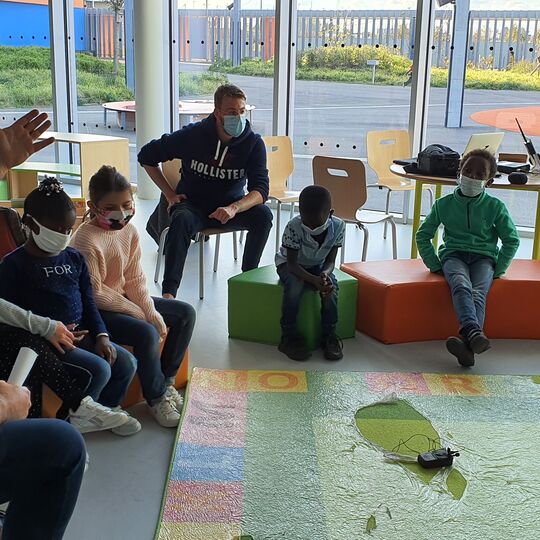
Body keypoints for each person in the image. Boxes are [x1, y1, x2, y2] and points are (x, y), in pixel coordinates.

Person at [0, 109, 85, 539]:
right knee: (63, 448)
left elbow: (91, 295)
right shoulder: (17, 264)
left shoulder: (73, 258)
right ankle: (80, 407)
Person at [0, 177, 139, 435]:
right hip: (49, 343)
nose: (64, 237)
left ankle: (104, 411)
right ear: (30, 224)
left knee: (127, 363)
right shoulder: (13, 265)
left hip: (81, 333)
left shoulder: (74, 257)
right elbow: (10, 317)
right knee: (98, 370)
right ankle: (70, 423)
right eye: (56, 230)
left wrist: (101, 335)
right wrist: (46, 332)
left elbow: (88, 301)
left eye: (68, 229)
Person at [72, 165, 196, 427]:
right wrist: (140, 314)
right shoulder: (85, 239)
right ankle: (156, 397)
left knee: (185, 313)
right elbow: (95, 293)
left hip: (122, 300)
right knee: (145, 332)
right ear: (93, 207)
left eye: (127, 204)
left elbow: (135, 279)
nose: (122, 213)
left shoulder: (129, 231)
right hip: (96, 311)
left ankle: (167, 379)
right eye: (111, 207)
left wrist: (150, 311)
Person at [138, 83, 272, 298]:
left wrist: (234, 207)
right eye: (231, 112)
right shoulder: (194, 135)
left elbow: (261, 191)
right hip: (193, 207)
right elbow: (146, 156)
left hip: (229, 209)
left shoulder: (253, 144)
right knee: (180, 219)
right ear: (217, 113)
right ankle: (169, 294)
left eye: (241, 112)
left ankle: (248, 279)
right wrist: (170, 194)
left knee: (263, 215)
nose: (237, 117)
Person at [416, 149, 520, 367]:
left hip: (484, 259)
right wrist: (434, 264)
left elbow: (511, 240)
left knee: (478, 292)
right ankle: (474, 333)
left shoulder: (495, 207)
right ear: (458, 173)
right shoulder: (443, 204)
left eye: (479, 174)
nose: (472, 177)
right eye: (467, 171)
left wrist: (499, 268)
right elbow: (423, 235)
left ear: (489, 182)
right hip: (453, 256)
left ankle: (467, 345)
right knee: (461, 286)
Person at [275, 185, 345, 361]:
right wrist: (313, 280)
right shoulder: (293, 227)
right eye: (307, 222)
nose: (311, 227)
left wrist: (325, 275)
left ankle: (329, 335)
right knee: (294, 287)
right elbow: (291, 264)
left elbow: (330, 261)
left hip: (318, 265)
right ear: (301, 213)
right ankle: (288, 337)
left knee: (331, 289)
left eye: (317, 223)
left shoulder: (338, 227)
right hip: (290, 264)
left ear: (330, 213)